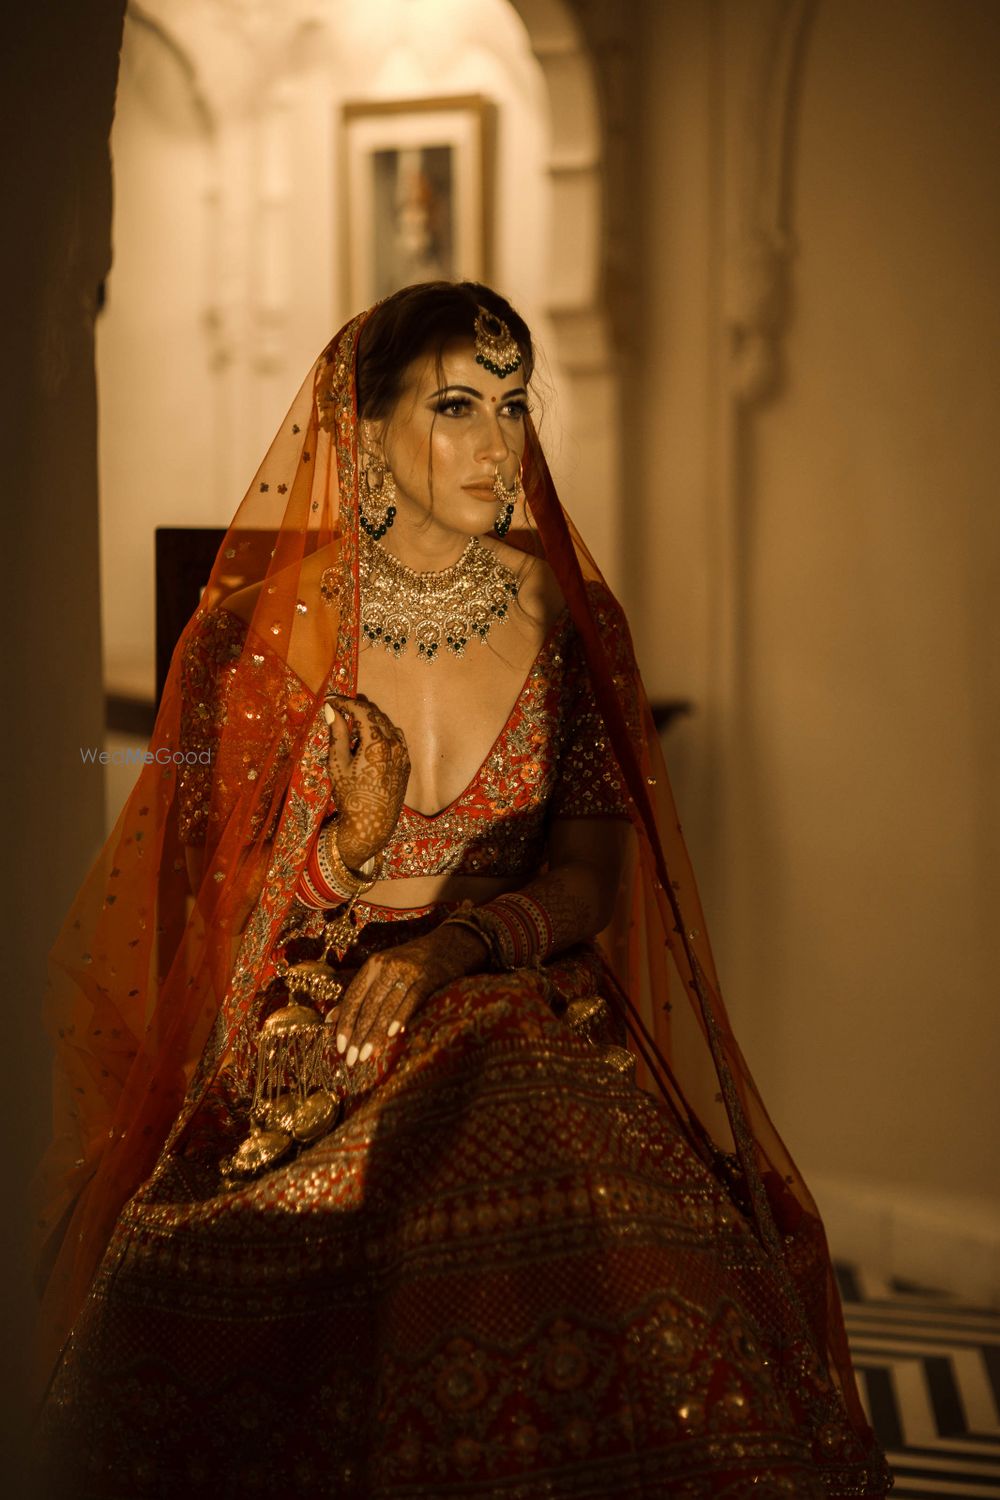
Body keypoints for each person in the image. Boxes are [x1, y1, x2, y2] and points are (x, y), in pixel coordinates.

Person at [35, 282, 891, 1497]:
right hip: (306, 1018)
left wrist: (453, 949)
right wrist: (351, 847)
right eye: (456, 407)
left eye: (513, 404)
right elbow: (208, 909)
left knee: (560, 1151)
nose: (500, 444)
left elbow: (593, 873)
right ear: (365, 431)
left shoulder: (569, 620)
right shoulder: (260, 636)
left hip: (512, 998)